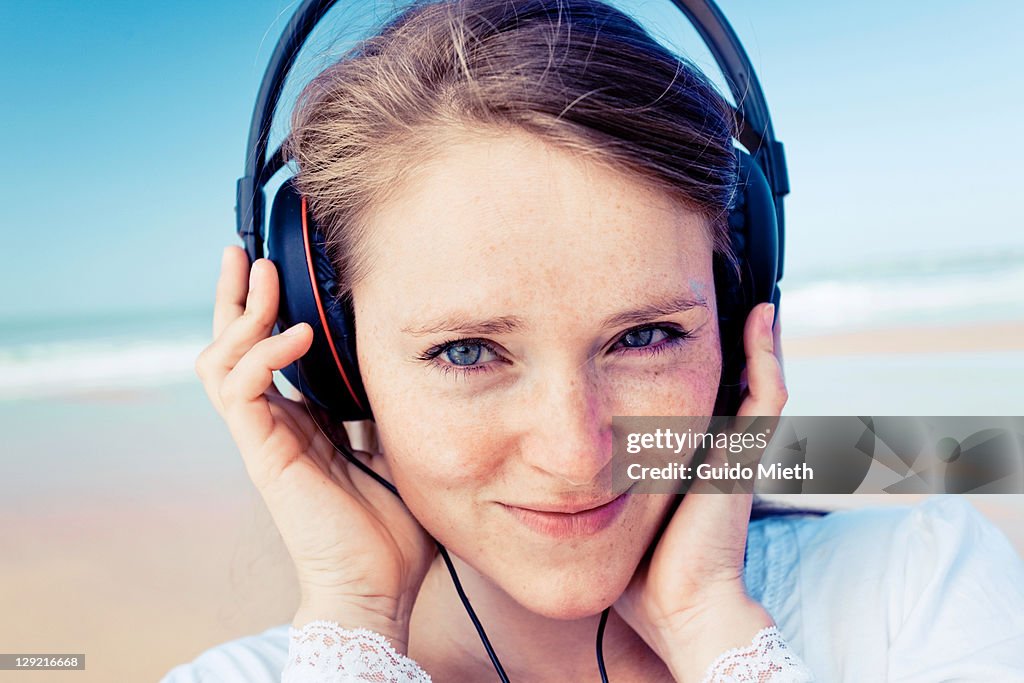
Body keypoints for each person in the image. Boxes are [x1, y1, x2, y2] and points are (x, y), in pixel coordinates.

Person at [166, 0, 1024, 680]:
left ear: (735, 316)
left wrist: (714, 633)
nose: (577, 453)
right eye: (467, 350)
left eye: (646, 336)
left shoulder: (920, 586)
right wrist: (353, 618)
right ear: (332, 362)